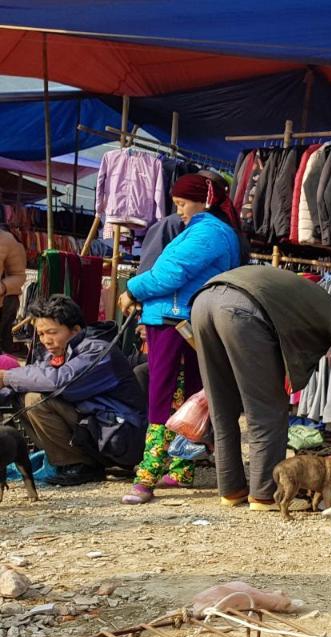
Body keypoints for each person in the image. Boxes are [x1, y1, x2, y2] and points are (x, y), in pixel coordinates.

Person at [190, 266, 331, 509]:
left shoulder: (298, 295)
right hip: (242, 311)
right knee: (267, 412)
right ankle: (265, 495)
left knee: (221, 407)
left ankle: (232, 491)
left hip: (202, 303)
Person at [117, 174, 242, 504]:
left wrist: (132, 289)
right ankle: (183, 467)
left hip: (172, 319)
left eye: (182, 204)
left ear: (203, 201)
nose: (180, 212)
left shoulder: (206, 231)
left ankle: (147, 475)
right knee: (189, 394)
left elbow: (169, 274)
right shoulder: (219, 231)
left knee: (162, 393)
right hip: (190, 319)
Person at [0, 294, 145, 485]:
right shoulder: (54, 353)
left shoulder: (98, 350)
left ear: (75, 330)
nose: (46, 340)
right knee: (21, 396)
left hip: (121, 439)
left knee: (34, 400)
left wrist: (5, 377)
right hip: (96, 430)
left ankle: (79, 466)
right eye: (41, 334)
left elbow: (60, 381)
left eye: (52, 332)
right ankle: (70, 464)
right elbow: (34, 376)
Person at [0, 208, 27, 356]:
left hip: (6, 300)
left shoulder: (9, 241)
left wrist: (3, 287)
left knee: (4, 339)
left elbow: (18, 275)